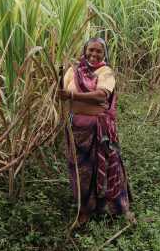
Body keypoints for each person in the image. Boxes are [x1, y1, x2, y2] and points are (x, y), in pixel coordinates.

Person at [59, 38, 135, 226]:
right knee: (81, 171)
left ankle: (113, 208)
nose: (94, 55)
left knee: (106, 167)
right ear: (84, 51)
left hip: (99, 130)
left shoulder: (105, 72)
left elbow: (102, 95)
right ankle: (84, 210)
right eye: (90, 50)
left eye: (98, 51)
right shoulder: (73, 71)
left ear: (104, 54)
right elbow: (61, 92)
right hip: (76, 129)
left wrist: (73, 95)